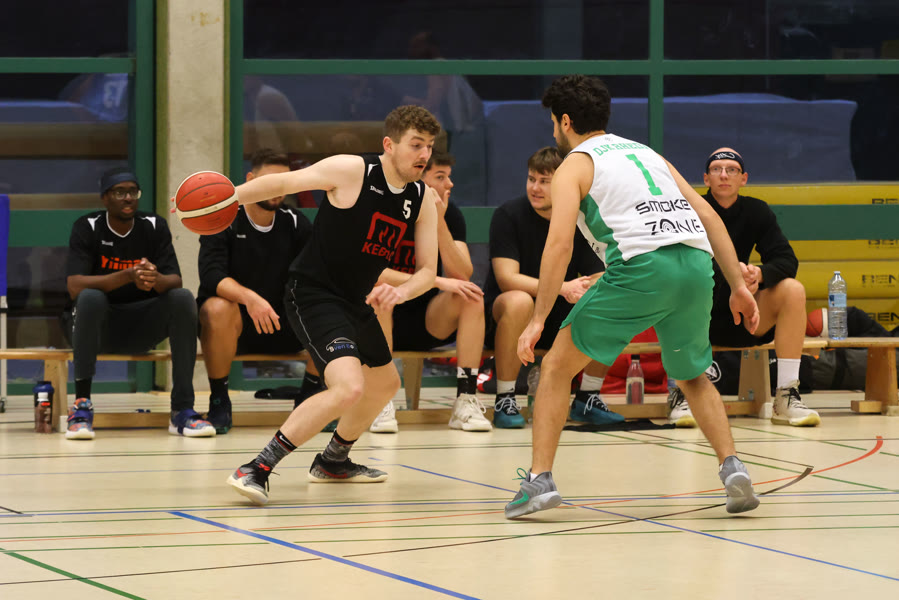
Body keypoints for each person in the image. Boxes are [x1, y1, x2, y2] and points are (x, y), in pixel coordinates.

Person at [506, 75, 761, 518]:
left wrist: (538, 319)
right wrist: (737, 286)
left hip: (642, 269)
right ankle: (733, 468)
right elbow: (707, 214)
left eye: (552, 122)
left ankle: (539, 480)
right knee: (693, 374)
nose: (553, 130)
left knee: (556, 367)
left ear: (565, 121)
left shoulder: (574, 166)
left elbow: (559, 245)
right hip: (696, 266)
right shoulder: (647, 153)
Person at [227, 105, 440, 505]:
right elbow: (284, 181)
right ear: (389, 144)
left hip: (354, 301)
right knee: (348, 388)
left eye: (429, 146)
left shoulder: (421, 196)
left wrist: (402, 291)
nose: (424, 154)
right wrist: (225, 199)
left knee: (385, 384)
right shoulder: (352, 170)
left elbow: (428, 270)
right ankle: (256, 467)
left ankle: (333, 460)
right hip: (312, 293)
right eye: (416, 145)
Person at [665, 148, 820, 428]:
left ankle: (786, 396)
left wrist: (759, 274)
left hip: (746, 316)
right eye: (717, 169)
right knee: (677, 285)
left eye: (732, 170)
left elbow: (786, 260)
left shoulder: (756, 211)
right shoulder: (688, 210)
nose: (724, 175)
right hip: (699, 318)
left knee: (793, 290)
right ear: (706, 178)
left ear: (743, 178)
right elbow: (674, 261)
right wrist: (731, 273)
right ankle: (681, 393)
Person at [63, 167, 213, 440]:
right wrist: (127, 275)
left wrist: (153, 279)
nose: (128, 198)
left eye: (133, 191)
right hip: (98, 328)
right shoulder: (88, 226)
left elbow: (175, 280)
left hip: (142, 325)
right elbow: (74, 286)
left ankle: (182, 410)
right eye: (120, 192)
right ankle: (81, 407)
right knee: (90, 297)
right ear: (105, 197)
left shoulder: (154, 226)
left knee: (182, 298)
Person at [484, 147, 619, 429]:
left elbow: (602, 274)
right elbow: (507, 278)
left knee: (608, 298)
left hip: (557, 311)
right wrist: (563, 287)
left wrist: (584, 288)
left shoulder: (581, 220)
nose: (535, 188)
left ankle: (587, 397)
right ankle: (505, 398)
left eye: (544, 181)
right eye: (531, 179)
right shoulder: (509, 214)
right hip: (508, 313)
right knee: (520, 301)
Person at [197, 149, 319, 434]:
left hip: (283, 324)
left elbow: (314, 274)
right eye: (270, 181)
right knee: (216, 307)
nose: (277, 188)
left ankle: (310, 396)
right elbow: (212, 275)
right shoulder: (224, 219)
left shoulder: (295, 222)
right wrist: (250, 298)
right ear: (250, 181)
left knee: (327, 304)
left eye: (283, 182)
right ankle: (219, 400)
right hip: (236, 328)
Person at [371, 152, 490, 433]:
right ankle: (380, 402)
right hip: (377, 318)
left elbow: (462, 273)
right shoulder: (384, 206)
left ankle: (465, 400)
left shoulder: (450, 213)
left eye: (449, 176)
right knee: (380, 293)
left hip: (426, 319)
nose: (449, 184)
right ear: (418, 178)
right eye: (440, 177)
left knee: (470, 296)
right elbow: (371, 273)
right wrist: (435, 281)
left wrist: (439, 223)